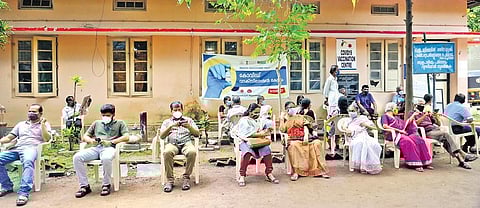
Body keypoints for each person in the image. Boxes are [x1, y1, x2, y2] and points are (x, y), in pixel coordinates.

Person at [73, 104, 129, 198]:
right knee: (77, 157)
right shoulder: (97, 123)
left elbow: (126, 137)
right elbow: (85, 136)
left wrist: (111, 142)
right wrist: (91, 141)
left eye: (107, 115)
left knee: (106, 158)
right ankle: (84, 186)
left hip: (109, 147)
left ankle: (106, 184)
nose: (105, 117)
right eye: (103, 115)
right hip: (96, 148)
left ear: (113, 114)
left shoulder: (120, 123)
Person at [0, 104, 51, 206]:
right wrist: (1, 141)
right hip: (16, 149)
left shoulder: (45, 125)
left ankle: (24, 193)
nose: (31, 113)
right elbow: (10, 137)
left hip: (31, 149)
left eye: (34, 111)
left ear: (40, 113)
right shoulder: (21, 124)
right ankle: (7, 186)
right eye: (29, 111)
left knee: (28, 162)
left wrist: (42, 125)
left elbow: (46, 139)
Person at [412, 99, 477, 169]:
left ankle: (461, 161)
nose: (422, 106)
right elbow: (415, 123)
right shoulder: (413, 113)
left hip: (436, 130)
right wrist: (424, 116)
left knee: (447, 142)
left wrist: (435, 117)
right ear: (416, 105)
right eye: (420, 105)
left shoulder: (426, 113)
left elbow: (438, 124)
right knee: (446, 134)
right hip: (427, 132)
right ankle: (463, 154)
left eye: (423, 105)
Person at [280, 101, 330, 181]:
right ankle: (296, 171)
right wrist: (282, 119)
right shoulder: (286, 118)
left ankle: (320, 170)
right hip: (293, 138)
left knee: (317, 143)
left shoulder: (301, 117)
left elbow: (307, 126)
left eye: (293, 107)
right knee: (294, 145)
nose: (291, 109)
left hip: (305, 137)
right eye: (289, 108)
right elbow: (282, 130)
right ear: (286, 109)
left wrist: (306, 136)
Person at [232, 103, 279, 187]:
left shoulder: (259, 120)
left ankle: (269, 173)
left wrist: (267, 130)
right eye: (255, 112)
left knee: (267, 150)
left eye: (258, 113)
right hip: (245, 141)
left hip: (258, 142)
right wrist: (261, 134)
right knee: (247, 153)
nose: (257, 115)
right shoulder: (244, 120)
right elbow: (247, 134)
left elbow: (263, 128)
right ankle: (242, 175)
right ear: (250, 112)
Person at [159, 101, 200, 192]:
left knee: (192, 152)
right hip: (172, 143)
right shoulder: (167, 122)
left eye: (179, 109)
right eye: (175, 110)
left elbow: (197, 134)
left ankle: (186, 178)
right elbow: (162, 136)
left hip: (186, 142)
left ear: (182, 110)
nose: (177, 111)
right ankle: (170, 180)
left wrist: (189, 127)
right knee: (167, 152)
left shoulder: (188, 120)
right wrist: (170, 127)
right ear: (171, 111)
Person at [381, 102, 433, 172]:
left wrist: (413, 116)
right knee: (408, 142)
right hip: (394, 135)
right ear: (392, 109)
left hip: (402, 133)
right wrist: (399, 130)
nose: (397, 109)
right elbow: (385, 126)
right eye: (396, 108)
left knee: (419, 140)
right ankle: (415, 164)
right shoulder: (385, 116)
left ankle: (425, 162)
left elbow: (405, 124)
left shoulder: (396, 117)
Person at [345, 103, 382, 174]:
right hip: (354, 137)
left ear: (357, 111)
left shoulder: (363, 118)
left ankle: (370, 165)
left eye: (353, 111)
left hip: (365, 135)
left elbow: (375, 128)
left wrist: (365, 125)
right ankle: (361, 165)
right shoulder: (347, 120)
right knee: (360, 143)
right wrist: (347, 130)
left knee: (374, 144)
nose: (351, 112)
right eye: (350, 111)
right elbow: (344, 128)